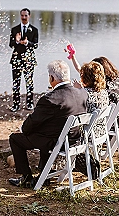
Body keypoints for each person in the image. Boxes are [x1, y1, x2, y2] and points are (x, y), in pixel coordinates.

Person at [8, 60, 88, 188]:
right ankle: (44, 175)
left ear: (52, 78)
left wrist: (22, 130)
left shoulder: (51, 98)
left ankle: (26, 178)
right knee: (45, 131)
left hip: (58, 142)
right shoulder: (82, 93)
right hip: (75, 139)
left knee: (15, 139)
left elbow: (32, 122)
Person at [9, 8, 39, 111]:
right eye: (22, 15)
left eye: (26, 16)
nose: (24, 17)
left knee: (29, 82)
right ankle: (16, 104)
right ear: (20, 16)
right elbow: (10, 45)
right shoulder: (14, 29)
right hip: (16, 59)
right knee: (16, 83)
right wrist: (16, 41)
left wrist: (27, 43)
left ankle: (30, 103)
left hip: (29, 60)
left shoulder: (34, 30)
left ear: (29, 16)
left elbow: (35, 45)